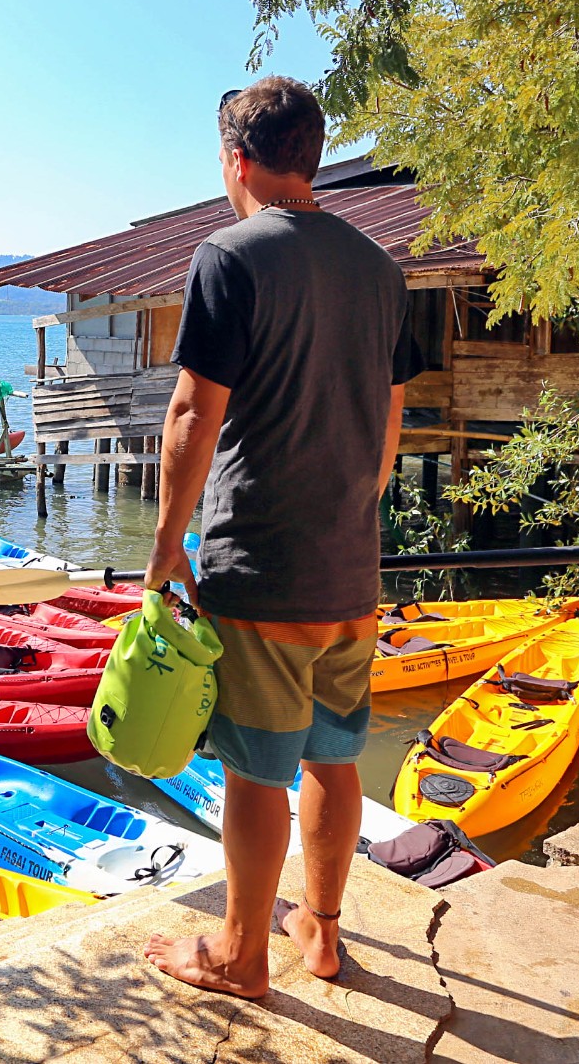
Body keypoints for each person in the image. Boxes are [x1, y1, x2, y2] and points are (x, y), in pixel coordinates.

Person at [142, 76, 422, 998]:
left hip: (261, 569)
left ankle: (238, 955)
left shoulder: (231, 254)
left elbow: (193, 412)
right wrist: (352, 510)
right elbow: (390, 426)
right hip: (352, 573)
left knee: (255, 774)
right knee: (334, 758)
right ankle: (324, 933)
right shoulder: (383, 270)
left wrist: (164, 549)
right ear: (312, 155)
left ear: (239, 160)